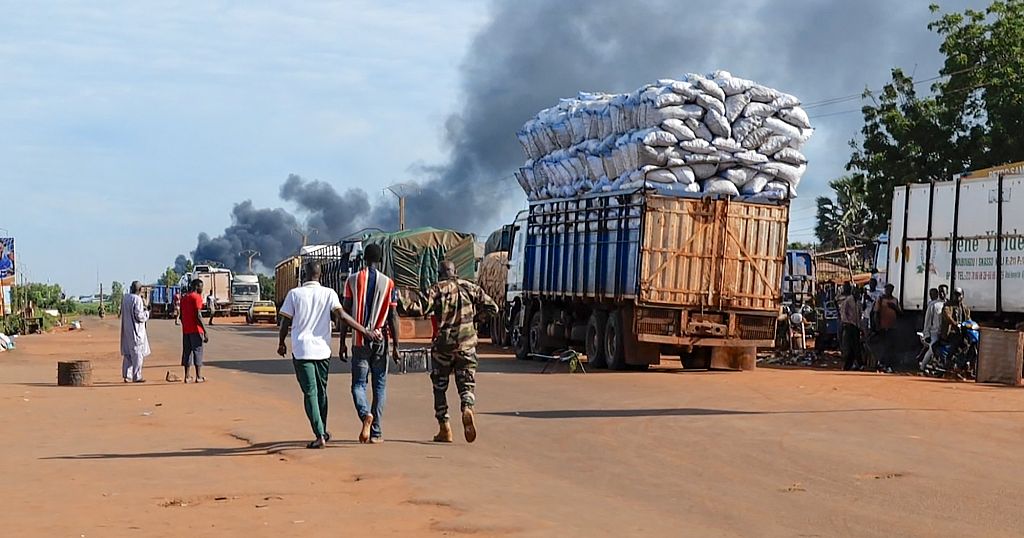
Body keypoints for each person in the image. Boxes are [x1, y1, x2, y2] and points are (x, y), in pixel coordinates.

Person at [278, 262, 377, 449]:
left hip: (302, 351)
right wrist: (364, 331)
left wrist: (281, 342)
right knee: (322, 392)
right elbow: (343, 316)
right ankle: (322, 431)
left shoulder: (294, 294)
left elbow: (285, 322)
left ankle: (319, 435)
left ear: (304, 275)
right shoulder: (329, 293)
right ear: (321, 275)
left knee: (310, 393)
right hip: (323, 351)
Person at [400, 260, 497, 443]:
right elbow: (493, 308)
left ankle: (444, 428)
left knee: (440, 386)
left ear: (440, 274)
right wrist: (474, 320)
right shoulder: (471, 287)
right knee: (467, 383)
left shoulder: (438, 289)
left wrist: (400, 301)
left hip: (443, 347)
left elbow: (417, 308)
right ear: (456, 271)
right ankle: (467, 407)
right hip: (467, 345)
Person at [341, 243, 401, 444]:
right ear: (380, 260)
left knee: (358, 385)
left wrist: (342, 342)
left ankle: (365, 413)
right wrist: (396, 346)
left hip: (360, 340)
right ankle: (376, 432)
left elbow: (345, 313)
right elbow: (393, 316)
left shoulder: (352, 280)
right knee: (379, 387)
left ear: (364, 259)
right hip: (380, 340)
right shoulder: (389, 283)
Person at [119, 281, 151, 383]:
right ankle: (137, 376)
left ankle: (127, 375)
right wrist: (147, 313)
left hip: (126, 330)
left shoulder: (125, 298)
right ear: (140, 290)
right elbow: (139, 316)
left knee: (128, 354)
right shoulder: (137, 299)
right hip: (136, 331)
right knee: (137, 354)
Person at [180, 279, 209, 383]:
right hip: (196, 330)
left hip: (186, 330)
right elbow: (198, 315)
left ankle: (187, 376)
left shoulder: (184, 298)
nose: (202, 289)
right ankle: (198, 376)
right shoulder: (197, 297)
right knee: (198, 352)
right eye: (201, 286)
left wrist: (186, 325)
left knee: (187, 352)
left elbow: (181, 316)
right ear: (197, 287)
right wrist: (205, 330)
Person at [872, 283, 903, 372]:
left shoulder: (895, 300)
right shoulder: (881, 299)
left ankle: (886, 364)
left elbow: (900, 313)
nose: (888, 291)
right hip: (883, 326)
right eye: (887, 289)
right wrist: (877, 325)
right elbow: (876, 312)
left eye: (890, 289)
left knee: (890, 346)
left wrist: (894, 308)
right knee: (884, 346)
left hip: (892, 326)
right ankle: (882, 363)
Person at [838, 283, 863, 371]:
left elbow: (859, 314)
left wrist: (860, 326)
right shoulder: (848, 300)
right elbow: (843, 312)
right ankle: (859, 363)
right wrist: (845, 322)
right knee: (852, 345)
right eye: (856, 292)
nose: (858, 294)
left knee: (854, 346)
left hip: (856, 325)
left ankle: (848, 366)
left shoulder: (858, 302)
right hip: (849, 325)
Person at [920, 288, 944, 370]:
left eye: (944, 292)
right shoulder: (933, 305)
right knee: (932, 349)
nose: (942, 294)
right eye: (941, 292)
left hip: (944, 332)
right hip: (934, 332)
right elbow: (928, 320)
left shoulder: (947, 304)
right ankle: (922, 367)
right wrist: (926, 334)